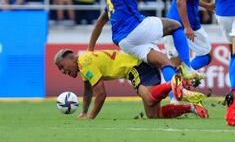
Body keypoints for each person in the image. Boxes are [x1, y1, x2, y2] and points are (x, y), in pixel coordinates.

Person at [84, 0, 199, 98]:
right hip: (135, 29)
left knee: (164, 61)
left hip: (124, 43)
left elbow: (100, 22)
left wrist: (90, 49)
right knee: (176, 26)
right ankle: (187, 68)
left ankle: (175, 96)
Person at [53, 49, 208, 119]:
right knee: (153, 114)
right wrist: (84, 112)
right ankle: (193, 107)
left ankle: (171, 84)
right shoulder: (84, 63)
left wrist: (91, 117)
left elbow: (101, 94)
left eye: (61, 66)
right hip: (141, 66)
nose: (62, 71)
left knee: (148, 98)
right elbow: (88, 92)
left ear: (71, 57)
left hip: (135, 67)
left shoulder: (84, 63)